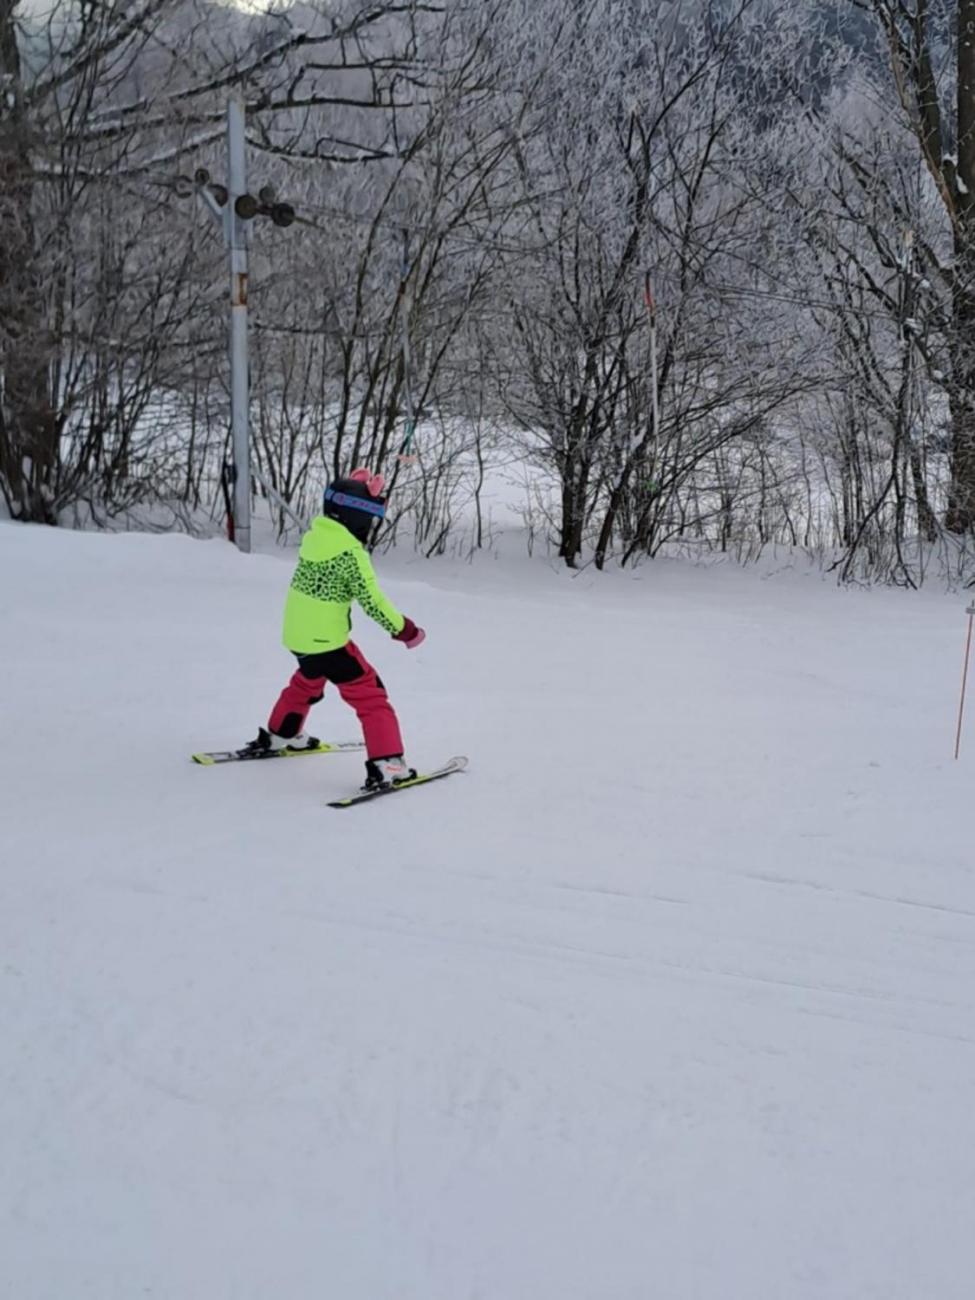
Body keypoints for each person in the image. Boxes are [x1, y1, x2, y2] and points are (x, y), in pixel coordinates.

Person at [241, 468, 425, 790]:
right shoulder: (350, 555)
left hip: (298, 638)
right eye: (369, 520)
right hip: (329, 642)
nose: (370, 527)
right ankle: (388, 764)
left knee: (306, 683)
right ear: (358, 519)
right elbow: (373, 601)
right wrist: (404, 629)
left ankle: (281, 734)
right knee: (371, 696)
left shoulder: (314, 540)